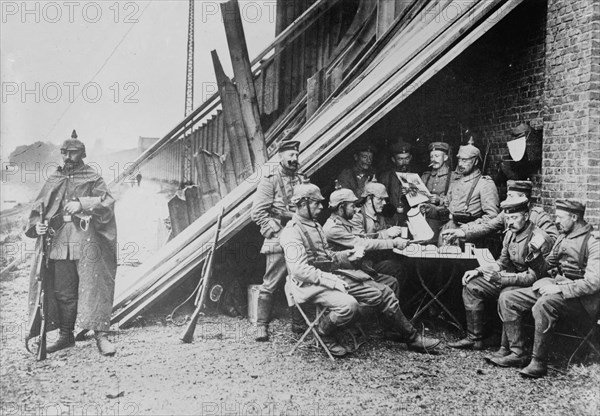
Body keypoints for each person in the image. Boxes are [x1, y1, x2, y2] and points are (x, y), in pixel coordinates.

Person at [279, 183, 440, 357]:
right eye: (316, 203)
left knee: (384, 291)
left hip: (329, 275)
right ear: (303, 204)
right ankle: (323, 332)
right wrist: (331, 279)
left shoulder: (315, 226)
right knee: (349, 306)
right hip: (310, 284)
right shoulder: (291, 232)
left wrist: (346, 255)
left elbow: (328, 256)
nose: (321, 207)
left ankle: (412, 337)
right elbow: (299, 270)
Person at [25, 130, 117, 356]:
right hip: (59, 242)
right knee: (63, 291)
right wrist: (38, 226)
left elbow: (107, 201)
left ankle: (101, 337)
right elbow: (38, 208)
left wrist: (83, 204)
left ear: (82, 154)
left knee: (93, 287)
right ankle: (66, 336)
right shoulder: (54, 178)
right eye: (64, 152)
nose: (67, 157)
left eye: (72, 153)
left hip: (87, 240)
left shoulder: (92, 177)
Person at [494, 199, 599, 378]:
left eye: (560, 217)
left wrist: (560, 289)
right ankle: (517, 353)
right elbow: (545, 268)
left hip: (584, 301)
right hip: (558, 290)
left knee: (544, 303)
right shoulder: (563, 236)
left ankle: (538, 362)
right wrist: (534, 254)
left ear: (574, 217)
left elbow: (594, 282)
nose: (556, 221)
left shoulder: (593, 242)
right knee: (508, 298)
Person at [447, 197, 552, 353]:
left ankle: (510, 348)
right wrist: (479, 270)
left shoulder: (538, 238)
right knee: (472, 285)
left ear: (526, 216)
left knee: (506, 293)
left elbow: (534, 276)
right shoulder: (510, 234)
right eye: (507, 218)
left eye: (514, 217)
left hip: (532, 284)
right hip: (511, 278)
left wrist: (501, 278)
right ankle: (475, 339)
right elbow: (502, 262)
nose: (510, 222)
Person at [250, 133, 306, 341]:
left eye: (296, 155)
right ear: (280, 157)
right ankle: (261, 325)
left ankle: (299, 323)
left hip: (299, 236)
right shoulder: (269, 180)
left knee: (299, 278)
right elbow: (257, 213)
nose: (294, 159)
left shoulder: (302, 179)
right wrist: (275, 229)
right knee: (270, 282)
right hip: (278, 236)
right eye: (290, 155)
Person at [441, 180, 558, 246]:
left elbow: (553, 239)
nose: (507, 200)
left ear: (523, 197)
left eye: (510, 196)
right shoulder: (505, 214)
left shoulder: (538, 215)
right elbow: (487, 226)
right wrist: (462, 232)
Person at [439, 144, 499, 245]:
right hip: (447, 233)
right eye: (459, 160)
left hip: (467, 238)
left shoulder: (485, 184)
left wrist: (467, 229)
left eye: (465, 160)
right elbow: (446, 207)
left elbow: (492, 217)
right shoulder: (456, 181)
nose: (460, 164)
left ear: (475, 161)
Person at [419, 142, 452, 242]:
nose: (433, 159)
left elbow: (457, 198)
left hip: (442, 223)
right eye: (431, 156)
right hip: (424, 221)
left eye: (437, 156)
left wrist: (440, 200)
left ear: (445, 157)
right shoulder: (425, 176)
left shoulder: (453, 177)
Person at [379, 140, 417, 223]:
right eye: (400, 159)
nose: (404, 163)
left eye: (406, 158)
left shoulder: (415, 177)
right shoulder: (385, 177)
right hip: (390, 219)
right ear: (393, 159)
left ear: (410, 158)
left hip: (410, 219)